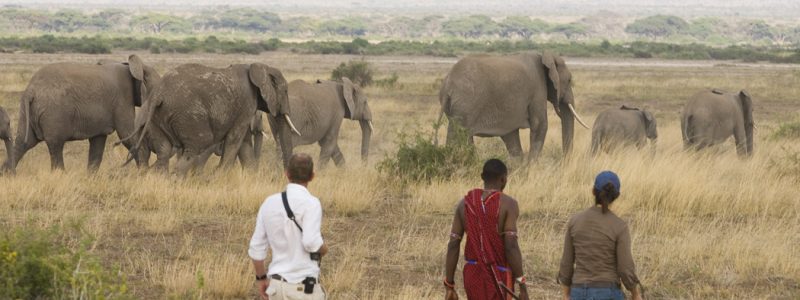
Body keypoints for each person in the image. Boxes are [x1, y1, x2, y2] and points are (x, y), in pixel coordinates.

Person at [444, 159, 529, 300]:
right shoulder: (509, 204)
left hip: (472, 275)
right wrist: (522, 286)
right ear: (503, 179)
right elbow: (511, 247)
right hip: (500, 276)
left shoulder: (464, 204)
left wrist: (449, 285)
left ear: (482, 177)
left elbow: (453, 244)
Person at [249, 153, 328, 300]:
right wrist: (324, 249)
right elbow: (311, 242)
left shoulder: (269, 203)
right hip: (304, 290)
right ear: (312, 176)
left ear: (286, 174)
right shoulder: (312, 203)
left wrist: (261, 279)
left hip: (276, 288)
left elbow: (256, 248)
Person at [558, 171, 643, 300]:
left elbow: (566, 263)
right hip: (608, 291)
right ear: (616, 196)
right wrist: (635, 293)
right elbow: (625, 269)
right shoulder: (620, 226)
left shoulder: (575, 221)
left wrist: (566, 294)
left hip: (578, 291)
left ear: (593, 191)